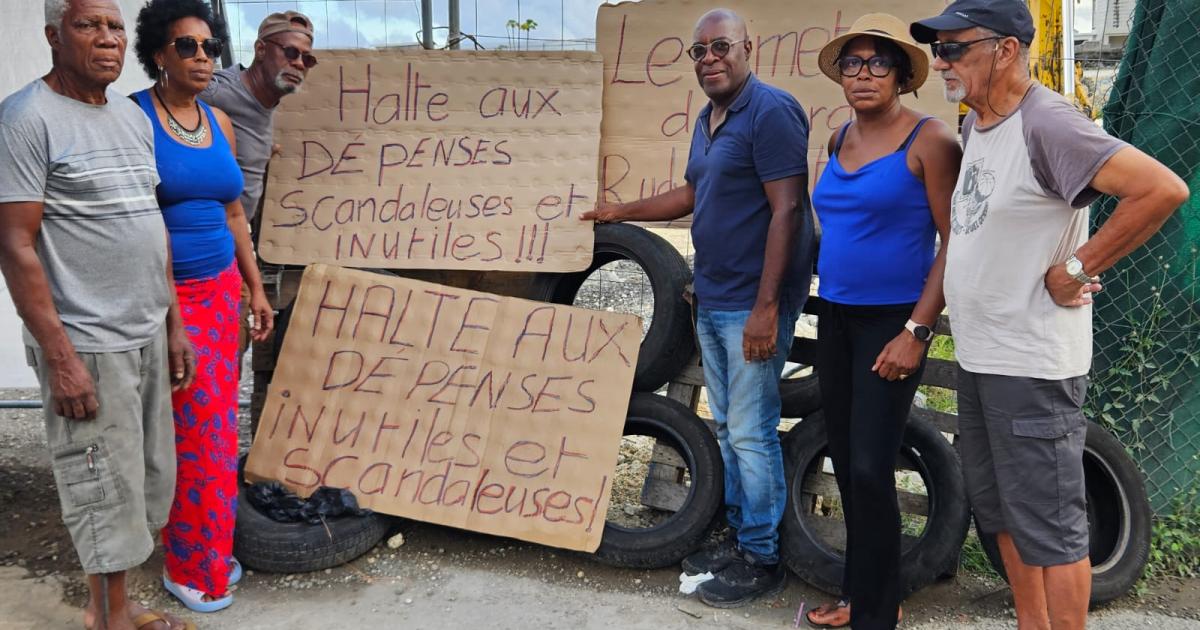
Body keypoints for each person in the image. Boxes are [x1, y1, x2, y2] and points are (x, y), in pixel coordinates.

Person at [908, 1, 1189, 628]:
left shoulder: (1047, 122)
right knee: (1001, 512)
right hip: (985, 359)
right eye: (938, 48)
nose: (940, 61)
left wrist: (1079, 267)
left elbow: (1162, 188)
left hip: (1031, 366)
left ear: (1005, 49)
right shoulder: (981, 123)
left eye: (954, 48)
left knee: (1051, 526)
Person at [582, 8, 813, 608]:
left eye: (721, 47)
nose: (709, 58)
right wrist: (618, 211)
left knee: (753, 431)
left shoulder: (772, 111)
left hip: (750, 304)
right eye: (700, 51)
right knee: (728, 429)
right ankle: (742, 536)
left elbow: (789, 211)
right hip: (710, 297)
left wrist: (767, 307)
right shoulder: (709, 119)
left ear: (747, 48)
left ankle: (761, 557)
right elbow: (693, 191)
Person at [0, 1, 196, 629]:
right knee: (101, 488)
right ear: (54, 36)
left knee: (142, 481)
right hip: (85, 340)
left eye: (115, 27)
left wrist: (173, 324)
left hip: (144, 329)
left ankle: (115, 605)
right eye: (89, 26)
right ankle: (107, 617)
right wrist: (60, 359)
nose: (107, 39)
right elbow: (15, 245)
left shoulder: (129, 118)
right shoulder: (26, 119)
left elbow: (150, 226)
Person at [802, 14, 962, 630]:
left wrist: (917, 331)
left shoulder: (930, 141)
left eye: (877, 63)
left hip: (892, 321)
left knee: (871, 464)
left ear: (901, 75)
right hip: (837, 316)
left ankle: (877, 614)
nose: (862, 74)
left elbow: (954, 244)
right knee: (845, 458)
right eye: (852, 63)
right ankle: (862, 596)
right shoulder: (841, 136)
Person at [132, 0, 274, 613]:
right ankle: (189, 566)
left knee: (218, 432)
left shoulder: (219, 121)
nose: (200, 57)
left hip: (221, 292)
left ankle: (212, 546)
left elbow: (234, 211)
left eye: (209, 47)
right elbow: (139, 221)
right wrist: (169, 317)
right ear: (158, 54)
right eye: (186, 46)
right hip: (170, 299)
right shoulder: (134, 119)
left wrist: (256, 287)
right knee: (191, 433)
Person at [197, 10, 316, 376]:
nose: (298, 63)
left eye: (307, 59)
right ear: (261, 49)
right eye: (290, 53)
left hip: (232, 251)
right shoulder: (217, 91)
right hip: (198, 257)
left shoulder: (269, 103)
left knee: (225, 368)